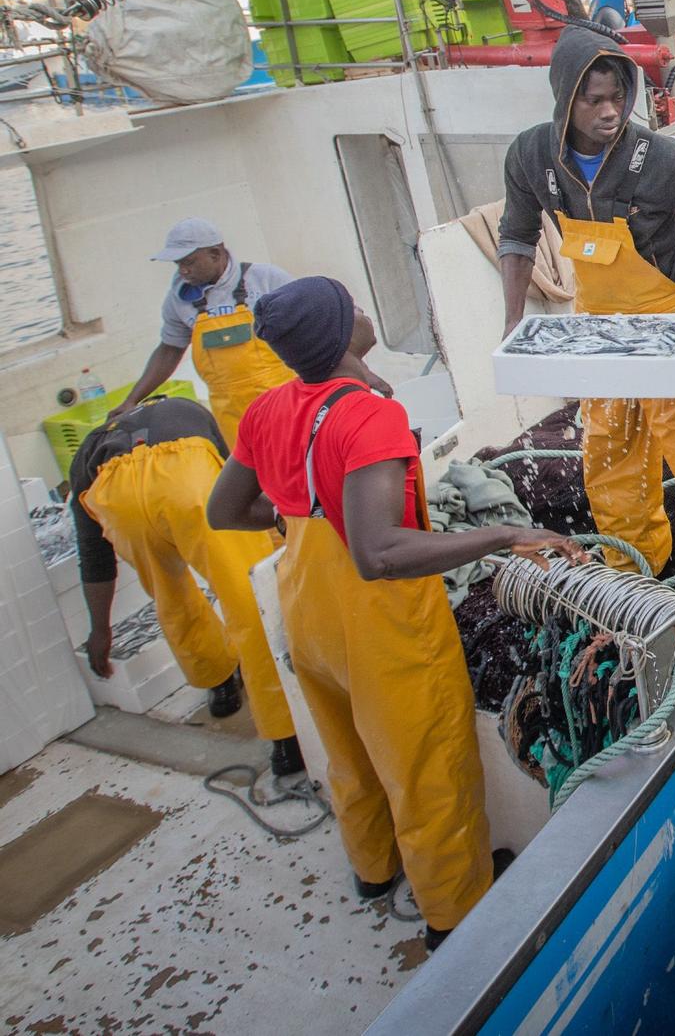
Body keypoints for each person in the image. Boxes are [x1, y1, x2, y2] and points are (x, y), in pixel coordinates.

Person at [207, 276, 582, 950]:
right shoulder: (369, 417)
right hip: (379, 618)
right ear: (334, 334)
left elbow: (225, 510)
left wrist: (303, 513)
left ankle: (374, 871)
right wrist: (507, 536)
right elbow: (378, 552)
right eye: (347, 305)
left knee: (348, 750)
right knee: (428, 765)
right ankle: (455, 917)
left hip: (305, 603)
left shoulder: (267, 408)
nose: (361, 308)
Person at [495, 25, 675, 599]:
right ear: (565, 98)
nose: (610, 111)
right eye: (594, 101)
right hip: (600, 331)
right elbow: (516, 235)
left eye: (619, 97)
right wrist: (514, 322)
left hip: (670, 323)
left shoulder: (665, 160)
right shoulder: (531, 157)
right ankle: (632, 573)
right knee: (611, 466)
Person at [71, 395, 301, 776]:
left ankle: (221, 686)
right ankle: (286, 739)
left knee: (172, 598)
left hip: (119, 498)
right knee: (246, 603)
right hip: (188, 479)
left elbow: (94, 556)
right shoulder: (183, 408)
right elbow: (240, 486)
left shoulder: (88, 449)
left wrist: (100, 628)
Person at [113, 217, 390, 447]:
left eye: (190, 261)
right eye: (178, 264)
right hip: (233, 416)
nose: (183, 270)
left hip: (289, 404)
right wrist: (131, 400)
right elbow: (169, 349)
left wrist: (362, 371)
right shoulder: (178, 299)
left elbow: (319, 328)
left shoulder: (265, 280)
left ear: (216, 253)